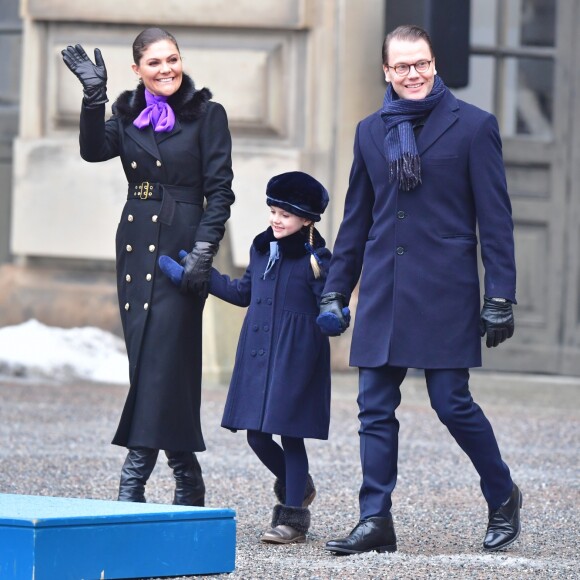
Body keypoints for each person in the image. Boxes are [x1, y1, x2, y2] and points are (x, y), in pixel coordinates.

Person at [317, 24, 521, 554]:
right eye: (402, 66)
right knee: (374, 407)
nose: (413, 74)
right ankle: (374, 519)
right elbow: (356, 220)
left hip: (444, 290)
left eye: (421, 64)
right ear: (386, 71)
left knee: (452, 403)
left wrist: (500, 294)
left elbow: (496, 219)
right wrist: (336, 289)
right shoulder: (369, 131)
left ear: (434, 64)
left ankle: (502, 496)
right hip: (384, 288)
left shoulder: (474, 126)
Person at [61, 27, 235, 506]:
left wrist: (205, 248)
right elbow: (93, 149)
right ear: (137, 69)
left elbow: (220, 191)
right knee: (153, 364)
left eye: (172, 59)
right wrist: (93, 97)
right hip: (136, 248)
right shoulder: (128, 115)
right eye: (155, 63)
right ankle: (187, 476)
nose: (167, 70)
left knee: (160, 360)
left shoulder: (208, 115)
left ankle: (131, 483)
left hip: (181, 254)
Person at [159, 171, 334, 544]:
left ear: (307, 219)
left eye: (285, 214)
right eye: (273, 210)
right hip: (259, 351)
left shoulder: (317, 258)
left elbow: (330, 303)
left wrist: (335, 317)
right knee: (256, 435)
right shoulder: (260, 248)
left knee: (291, 435)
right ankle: (298, 484)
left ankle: (293, 521)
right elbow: (242, 293)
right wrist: (197, 274)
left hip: (296, 355)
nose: (276, 219)